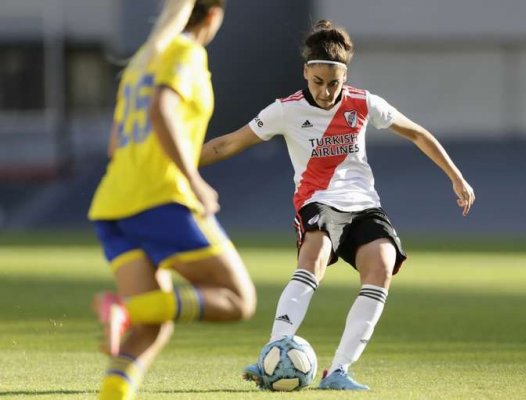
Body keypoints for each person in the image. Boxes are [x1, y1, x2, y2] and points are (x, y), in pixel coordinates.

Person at [200, 20, 475, 391]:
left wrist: (456, 176)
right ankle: (271, 353)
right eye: (318, 82)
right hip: (317, 201)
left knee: (382, 266)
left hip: (363, 205)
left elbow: (416, 132)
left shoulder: (363, 103)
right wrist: (175, 163)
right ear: (306, 72)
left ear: (344, 76)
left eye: (334, 83)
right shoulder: (286, 110)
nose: (327, 92)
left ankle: (339, 371)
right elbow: (226, 144)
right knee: (314, 257)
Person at [88, 1, 256, 399]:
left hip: (113, 206)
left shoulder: (139, 64)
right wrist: (193, 179)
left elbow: (116, 142)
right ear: (213, 16)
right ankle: (129, 309)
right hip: (160, 198)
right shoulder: (186, 53)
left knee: (155, 327)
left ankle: (115, 386)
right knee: (238, 300)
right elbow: (162, 110)